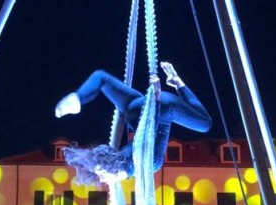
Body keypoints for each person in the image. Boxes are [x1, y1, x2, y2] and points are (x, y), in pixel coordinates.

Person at [55, 62, 212, 184]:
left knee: (205, 124)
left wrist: (155, 96)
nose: (102, 180)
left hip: (160, 109)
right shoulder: (127, 161)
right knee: (101, 78)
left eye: (101, 174)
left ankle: (177, 82)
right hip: (134, 111)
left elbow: (148, 131)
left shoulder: (147, 164)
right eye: (101, 174)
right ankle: (77, 98)